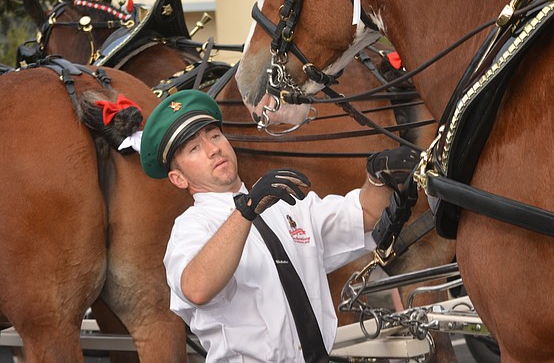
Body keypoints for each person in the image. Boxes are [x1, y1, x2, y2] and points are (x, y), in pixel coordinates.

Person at [139, 89, 418, 362]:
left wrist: (379, 177)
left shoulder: (285, 203)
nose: (213, 149)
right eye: (194, 148)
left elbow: (365, 214)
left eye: (214, 135)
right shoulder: (190, 228)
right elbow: (197, 288)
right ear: (178, 179)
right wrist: (246, 211)